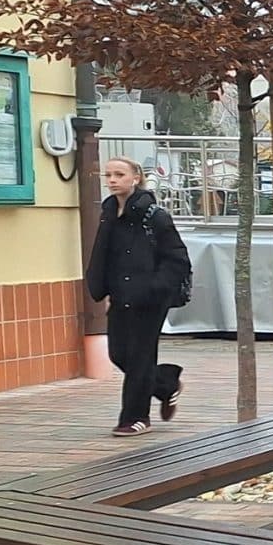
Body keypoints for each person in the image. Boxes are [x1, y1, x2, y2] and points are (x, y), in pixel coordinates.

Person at [84, 156, 190, 436]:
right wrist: (101, 286)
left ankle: (134, 418)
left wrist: (155, 288)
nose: (112, 180)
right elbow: (104, 255)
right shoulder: (109, 213)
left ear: (136, 178)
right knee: (118, 353)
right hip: (121, 296)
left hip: (150, 300)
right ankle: (165, 383)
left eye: (119, 174)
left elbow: (177, 259)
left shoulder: (154, 216)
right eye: (108, 175)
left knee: (140, 357)